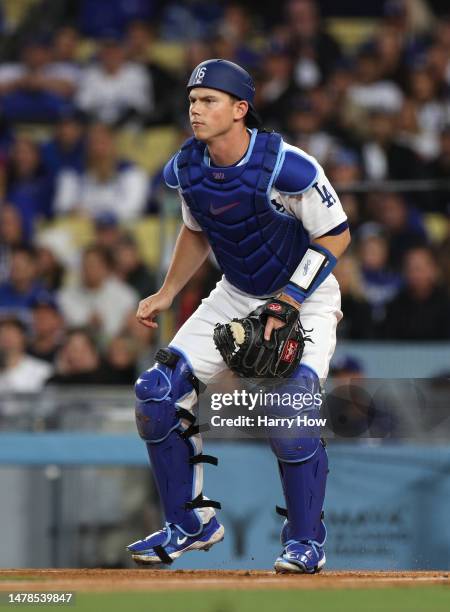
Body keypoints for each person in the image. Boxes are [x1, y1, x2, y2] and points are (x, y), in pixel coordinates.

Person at [127, 59, 351, 573]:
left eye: (208, 101)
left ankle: (305, 542)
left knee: (292, 413)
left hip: (305, 291)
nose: (196, 110)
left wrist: (289, 301)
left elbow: (336, 234)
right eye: (192, 101)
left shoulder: (287, 165)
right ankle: (189, 524)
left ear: (240, 109)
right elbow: (197, 229)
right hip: (235, 292)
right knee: (157, 393)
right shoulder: (187, 168)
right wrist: (166, 292)